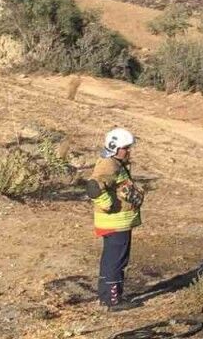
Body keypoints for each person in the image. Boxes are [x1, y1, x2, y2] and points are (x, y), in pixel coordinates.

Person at [86, 127, 143, 311]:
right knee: (117, 261)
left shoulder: (113, 162)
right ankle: (113, 300)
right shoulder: (109, 164)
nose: (128, 151)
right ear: (115, 148)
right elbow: (94, 187)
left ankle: (106, 297)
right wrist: (108, 204)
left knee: (110, 260)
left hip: (115, 222)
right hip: (116, 222)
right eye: (125, 148)